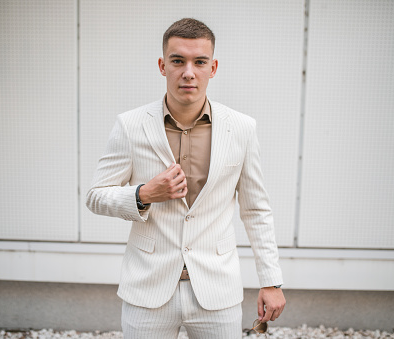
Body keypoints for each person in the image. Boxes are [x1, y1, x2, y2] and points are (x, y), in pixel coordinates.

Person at [86, 18, 285, 339]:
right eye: (178, 61)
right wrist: (142, 194)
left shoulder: (242, 128)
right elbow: (95, 196)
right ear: (163, 65)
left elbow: (256, 210)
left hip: (217, 292)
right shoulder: (130, 125)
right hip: (147, 290)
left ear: (213, 67)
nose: (188, 72)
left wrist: (271, 281)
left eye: (199, 62)